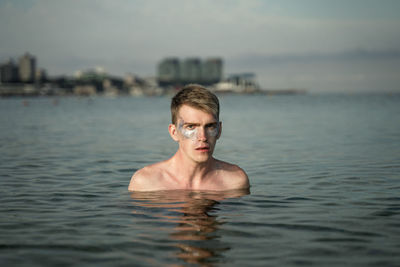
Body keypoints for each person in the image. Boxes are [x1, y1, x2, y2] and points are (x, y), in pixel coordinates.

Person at [128, 84, 249, 191]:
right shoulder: (146, 183)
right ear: (174, 132)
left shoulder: (235, 181)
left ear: (219, 130)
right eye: (191, 127)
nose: (202, 137)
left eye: (210, 126)